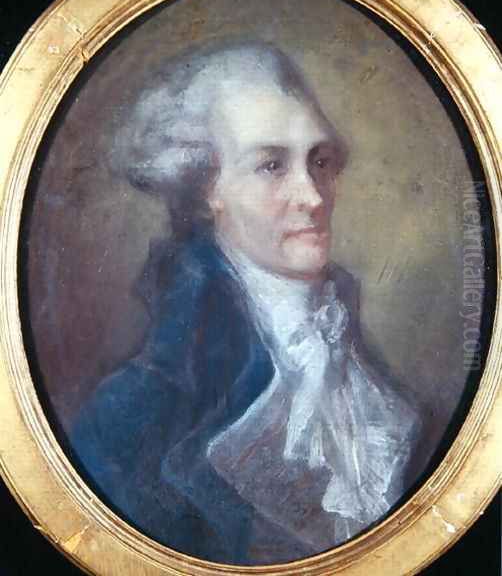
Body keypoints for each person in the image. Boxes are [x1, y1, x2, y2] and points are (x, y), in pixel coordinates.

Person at [70, 40, 422, 565]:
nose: (314, 196)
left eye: (320, 161)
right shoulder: (133, 414)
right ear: (206, 186)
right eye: (271, 165)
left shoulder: (367, 377)